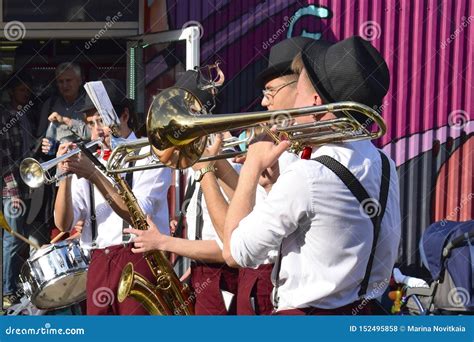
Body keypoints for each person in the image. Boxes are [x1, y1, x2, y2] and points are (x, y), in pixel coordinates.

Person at [223, 36, 401, 315]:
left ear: (316, 101)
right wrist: (272, 188)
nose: (294, 101)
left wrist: (252, 166)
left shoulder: (308, 175)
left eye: (300, 90)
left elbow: (235, 253)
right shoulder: (385, 163)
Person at [126, 70, 240, 315]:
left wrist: (164, 242)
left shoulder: (228, 160)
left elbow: (224, 248)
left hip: (223, 284)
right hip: (201, 276)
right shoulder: (195, 164)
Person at [54, 80, 172, 315]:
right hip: (98, 260)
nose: (96, 130)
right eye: (90, 123)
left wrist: (94, 174)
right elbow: (63, 223)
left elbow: (137, 215)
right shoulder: (88, 159)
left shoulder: (148, 154)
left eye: (102, 121)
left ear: (124, 115)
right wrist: (63, 176)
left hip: (139, 256)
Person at [1, 73, 36, 308]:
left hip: (24, 184)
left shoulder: (25, 116)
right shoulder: (4, 117)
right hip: (9, 188)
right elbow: (4, 160)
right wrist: (13, 192)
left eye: (27, 90)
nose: (26, 94)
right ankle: (7, 290)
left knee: (14, 237)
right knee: (12, 239)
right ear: (12, 92)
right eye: (22, 90)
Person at [39, 62, 90, 154]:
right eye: (61, 81)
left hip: (84, 160)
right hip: (58, 162)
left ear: (79, 81)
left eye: (68, 80)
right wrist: (45, 144)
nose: (65, 85)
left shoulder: (90, 104)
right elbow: (40, 136)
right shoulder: (50, 104)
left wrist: (66, 120)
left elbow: (95, 134)